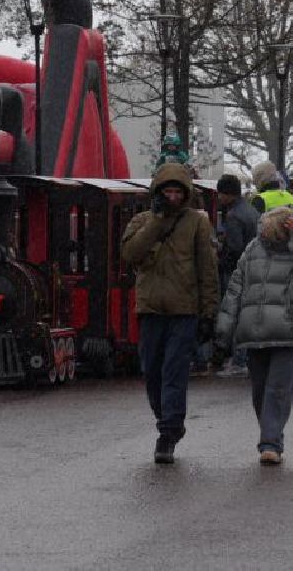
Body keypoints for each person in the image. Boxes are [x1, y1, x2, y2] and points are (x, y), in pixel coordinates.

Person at [119, 162, 219, 465]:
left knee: (173, 373)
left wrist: (208, 312)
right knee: (152, 373)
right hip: (151, 309)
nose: (173, 197)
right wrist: (157, 222)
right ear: (158, 193)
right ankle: (167, 419)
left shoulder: (198, 223)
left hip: (183, 311)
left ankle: (168, 432)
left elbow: (207, 268)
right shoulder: (141, 221)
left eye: (178, 192)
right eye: (168, 192)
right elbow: (130, 254)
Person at [212, 203, 293, 466]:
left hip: (289, 330)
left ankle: (270, 442)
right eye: (267, 229)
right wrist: (224, 328)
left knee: (277, 389)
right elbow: (235, 289)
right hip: (255, 331)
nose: (270, 235)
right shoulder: (252, 249)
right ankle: (271, 435)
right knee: (260, 391)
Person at [215, 174, 259, 296]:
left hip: (235, 270)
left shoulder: (233, 215)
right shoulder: (251, 209)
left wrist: (221, 262)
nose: (219, 197)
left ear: (228, 194)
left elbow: (235, 248)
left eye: (220, 194)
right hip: (253, 266)